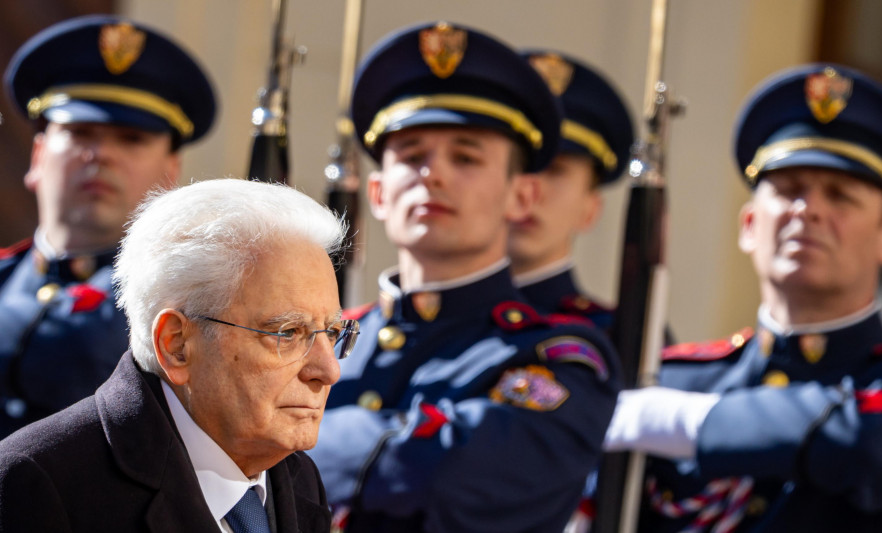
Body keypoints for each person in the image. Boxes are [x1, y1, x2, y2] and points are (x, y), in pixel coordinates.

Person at [603, 63, 882, 532]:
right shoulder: (676, 380)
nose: (807, 210)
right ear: (749, 226)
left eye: (840, 196)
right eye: (789, 190)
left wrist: (699, 423)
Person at [306, 21, 621, 532]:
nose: (433, 173)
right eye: (413, 156)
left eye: (466, 157)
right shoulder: (324, 338)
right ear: (379, 194)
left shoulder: (560, 355)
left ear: (522, 197)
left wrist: (295, 443)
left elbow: (459, 470)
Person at [0, 178, 357, 532]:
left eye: (331, 332)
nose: (328, 370)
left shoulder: (298, 478)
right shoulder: (36, 486)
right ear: (177, 345)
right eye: (288, 333)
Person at [0, 15, 216, 437]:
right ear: (38, 156)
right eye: (80, 132)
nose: (101, 154)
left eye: (131, 138)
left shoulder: (189, 304)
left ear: (172, 171)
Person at [509, 49, 635, 330]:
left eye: (555, 170)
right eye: (520, 164)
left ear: (591, 209)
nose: (531, 190)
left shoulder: (616, 337)